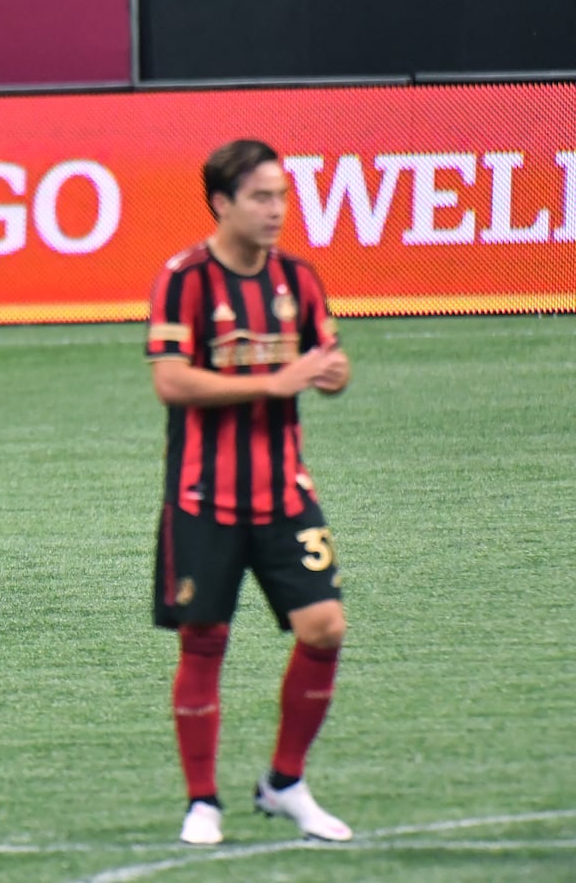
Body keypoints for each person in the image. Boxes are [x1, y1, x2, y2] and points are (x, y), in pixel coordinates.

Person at [144, 139, 353, 846]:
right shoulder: (184, 278)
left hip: (286, 491)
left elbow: (331, 359)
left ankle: (285, 783)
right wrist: (273, 382)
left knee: (324, 627)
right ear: (222, 204)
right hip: (203, 495)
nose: (276, 210)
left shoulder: (300, 278)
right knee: (205, 642)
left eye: (282, 196)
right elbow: (170, 381)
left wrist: (331, 373)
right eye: (262, 197)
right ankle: (202, 800)